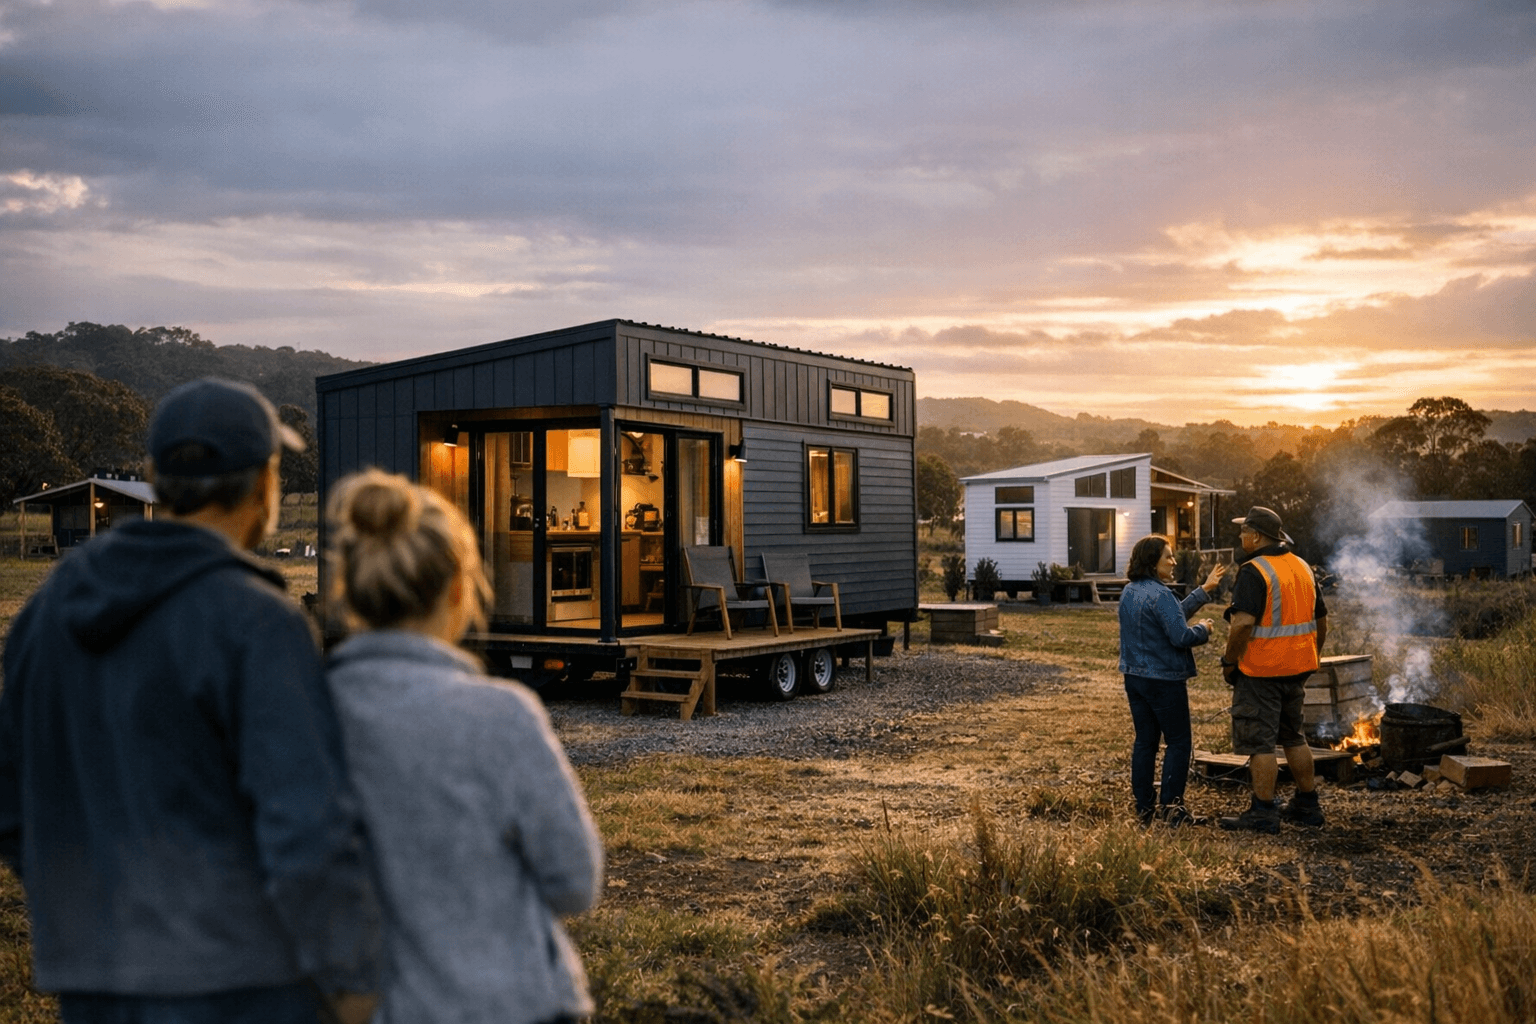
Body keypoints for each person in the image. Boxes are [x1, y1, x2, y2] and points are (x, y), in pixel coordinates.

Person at [0, 378, 381, 1024]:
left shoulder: (43, 616)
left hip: (97, 981)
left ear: (153, 476)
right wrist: (351, 974)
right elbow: (308, 823)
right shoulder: (256, 620)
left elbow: (12, 802)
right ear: (266, 483)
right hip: (245, 982)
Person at [324, 469, 603, 1024]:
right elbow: (575, 881)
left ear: (348, 589)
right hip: (512, 1001)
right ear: (459, 588)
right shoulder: (501, 716)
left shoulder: (307, 716)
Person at [1218, 506, 1328, 834]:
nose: (1240, 536)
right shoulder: (1302, 566)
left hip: (1260, 671)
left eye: (1243, 531)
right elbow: (1322, 620)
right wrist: (1311, 655)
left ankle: (1263, 812)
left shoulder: (1254, 571)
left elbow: (1241, 625)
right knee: (1294, 736)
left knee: (1259, 743)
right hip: (1297, 668)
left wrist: (1229, 662)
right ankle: (1308, 805)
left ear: (1257, 536)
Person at [1118, 535, 1226, 827]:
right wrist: (1203, 630)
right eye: (1169, 556)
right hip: (1164, 681)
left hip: (1135, 678)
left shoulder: (1129, 591)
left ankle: (1144, 809)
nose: (1174, 561)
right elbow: (1180, 635)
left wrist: (1204, 590)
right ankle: (1172, 810)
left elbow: (1169, 618)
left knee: (1145, 742)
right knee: (1178, 743)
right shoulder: (1162, 595)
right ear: (1153, 562)